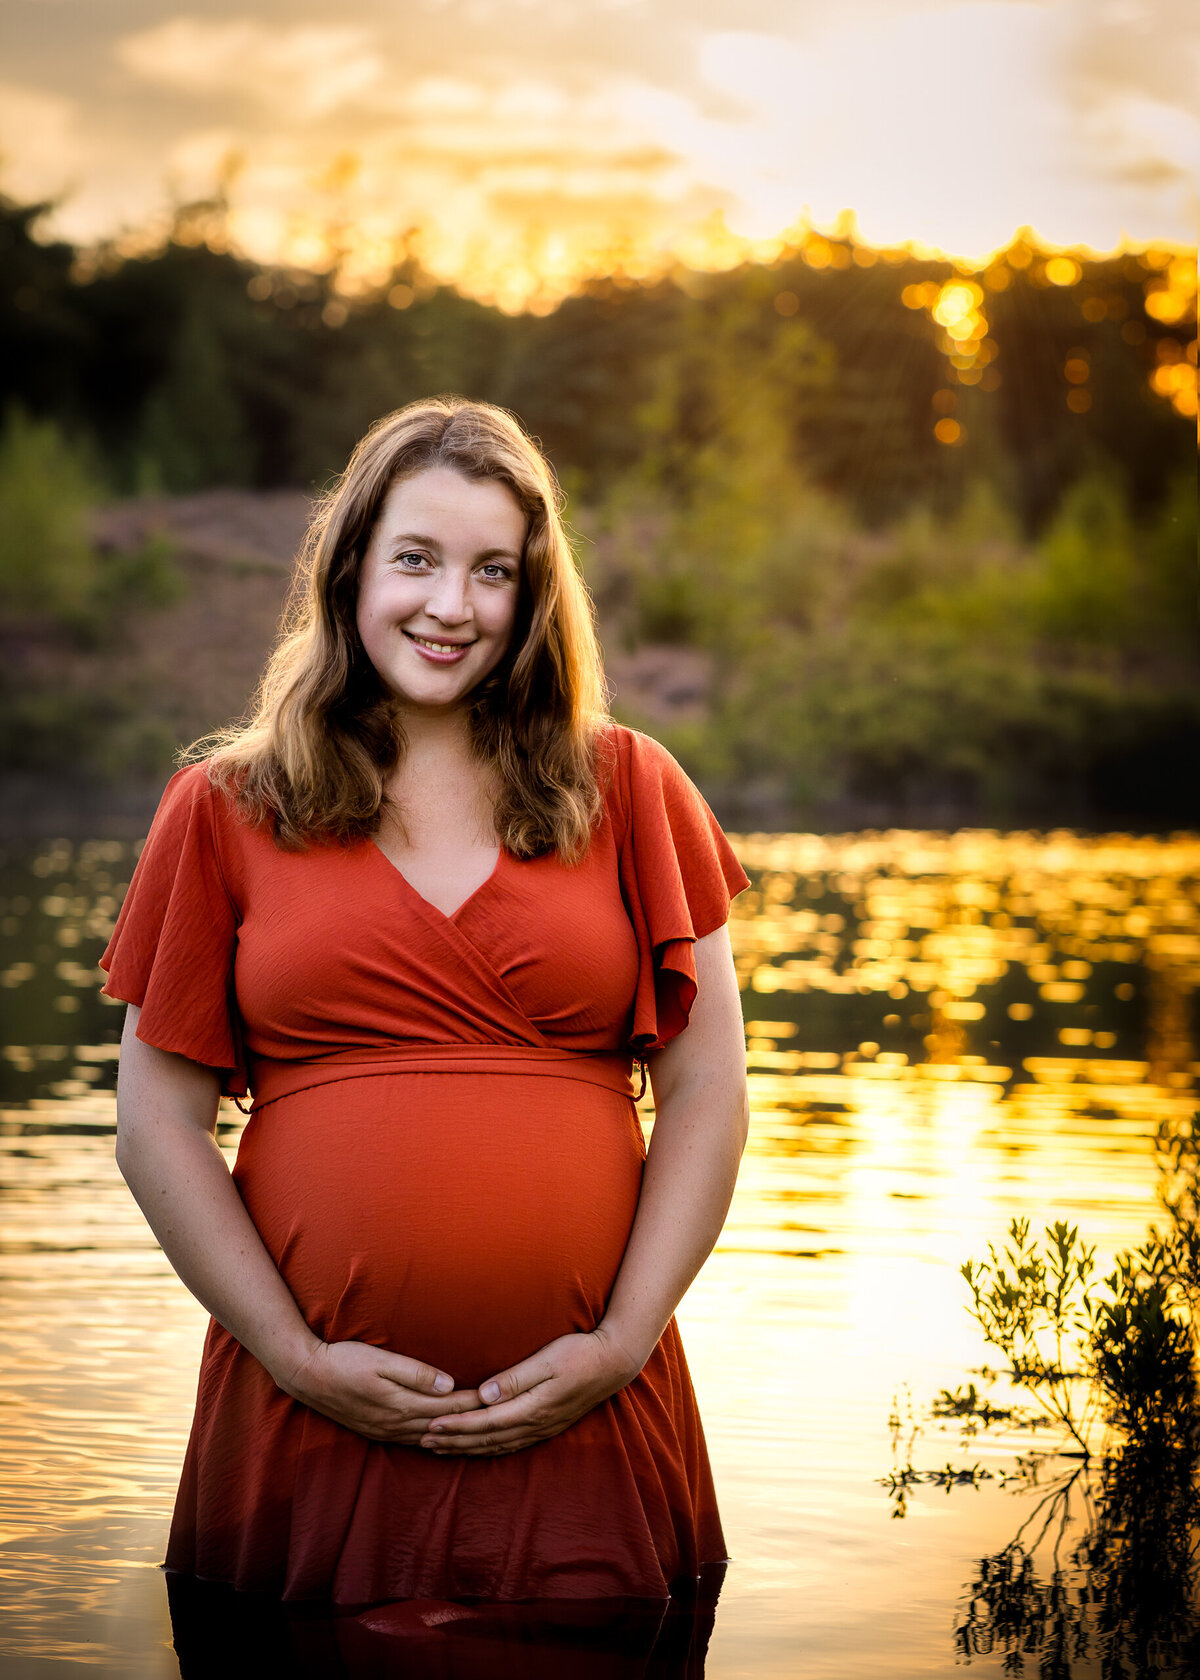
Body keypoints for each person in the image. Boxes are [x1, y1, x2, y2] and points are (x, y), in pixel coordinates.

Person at [99, 395, 751, 1620]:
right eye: (417, 559)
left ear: (533, 597)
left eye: (493, 571)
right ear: (351, 568)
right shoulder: (226, 807)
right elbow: (155, 1124)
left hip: (588, 1422)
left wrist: (617, 1346)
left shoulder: (632, 786)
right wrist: (298, 1361)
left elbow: (711, 1089)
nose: (452, 605)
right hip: (306, 1423)